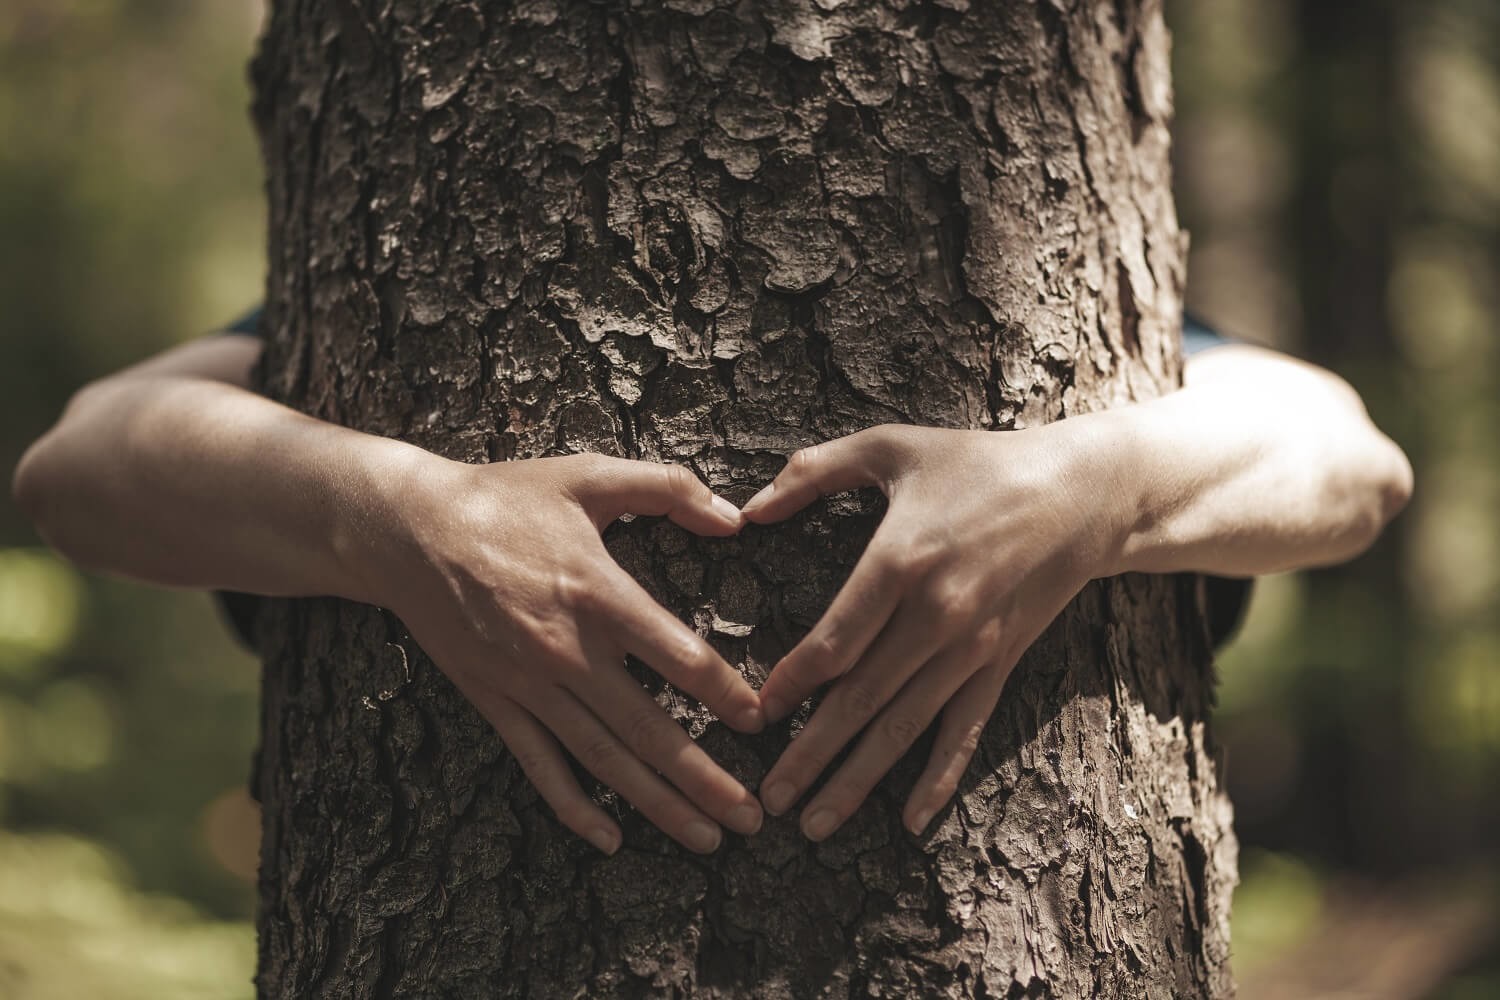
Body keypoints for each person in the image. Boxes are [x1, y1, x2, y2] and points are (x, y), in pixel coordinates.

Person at [10, 311, 1412, 857]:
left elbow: (1347, 458)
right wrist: (395, 515)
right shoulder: (359, 293)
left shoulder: (1108, 321)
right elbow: (79, 465)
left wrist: (1092, 490)